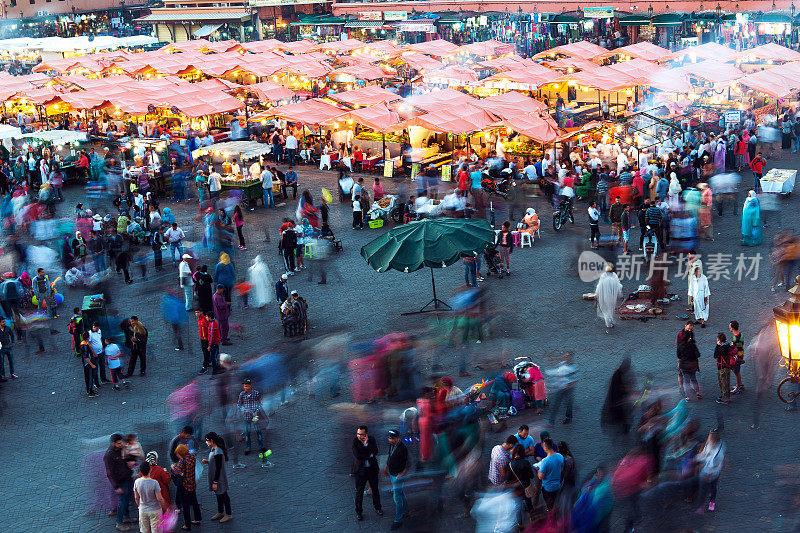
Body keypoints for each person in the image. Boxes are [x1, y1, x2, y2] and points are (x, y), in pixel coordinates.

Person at [352, 425, 383, 521]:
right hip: (360, 471)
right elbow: (358, 455)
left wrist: (366, 444)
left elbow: (376, 451)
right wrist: (369, 454)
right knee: (359, 492)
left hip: (372, 469)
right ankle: (359, 512)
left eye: (361, 434)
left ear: (366, 434)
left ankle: (378, 508)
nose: (359, 436)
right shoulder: (355, 441)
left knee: (375, 490)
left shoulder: (371, 439)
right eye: (358, 434)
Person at [201, 432, 233, 523]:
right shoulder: (213, 449)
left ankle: (228, 514)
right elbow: (215, 463)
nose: (206, 442)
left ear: (212, 441)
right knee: (218, 495)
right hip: (216, 477)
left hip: (219, 478)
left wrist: (215, 482)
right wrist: (208, 462)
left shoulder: (218, 452)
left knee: (223, 495)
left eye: (207, 440)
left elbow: (218, 468)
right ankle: (220, 512)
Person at [104, 434, 133, 531]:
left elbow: (128, 458)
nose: (121, 444)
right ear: (113, 443)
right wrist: (116, 487)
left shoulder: (122, 449)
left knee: (127, 499)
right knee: (122, 502)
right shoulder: (109, 455)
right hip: (120, 482)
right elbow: (110, 473)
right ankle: (119, 522)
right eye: (119, 443)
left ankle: (126, 517)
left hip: (128, 478)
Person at [171, 444, 202, 530]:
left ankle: (187, 525)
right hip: (192, 483)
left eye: (178, 453)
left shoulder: (182, 460)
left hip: (185, 485)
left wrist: (173, 467)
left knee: (185, 505)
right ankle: (197, 519)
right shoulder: (192, 457)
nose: (177, 455)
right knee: (194, 502)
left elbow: (176, 472)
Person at [382, 430, 408, 530]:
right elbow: (389, 456)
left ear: (397, 438)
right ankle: (406, 511)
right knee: (401, 493)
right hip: (393, 474)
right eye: (389, 438)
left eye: (392, 438)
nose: (390, 440)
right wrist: (386, 467)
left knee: (397, 497)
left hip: (398, 476)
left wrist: (401, 474)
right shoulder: (392, 445)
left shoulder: (403, 449)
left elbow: (407, 464)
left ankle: (398, 520)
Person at [696, 429, 726, 513]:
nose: (708, 441)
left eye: (710, 440)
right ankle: (703, 504)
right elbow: (705, 453)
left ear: (715, 442)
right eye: (709, 439)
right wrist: (697, 458)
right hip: (707, 469)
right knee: (708, 486)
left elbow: (713, 465)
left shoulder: (718, 452)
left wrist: (708, 474)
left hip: (713, 472)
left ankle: (711, 502)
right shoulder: (710, 444)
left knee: (710, 486)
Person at [133, 460, 167, 533]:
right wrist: (165, 508)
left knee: (145, 531)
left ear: (141, 471)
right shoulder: (154, 483)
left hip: (143, 510)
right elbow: (159, 499)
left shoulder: (137, 482)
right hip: (155, 510)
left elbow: (136, 498)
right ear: (150, 470)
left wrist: (139, 506)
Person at [547, 351, 579, 424]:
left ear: (571, 357)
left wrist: (568, 386)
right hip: (560, 388)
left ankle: (568, 418)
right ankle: (551, 421)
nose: (565, 357)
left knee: (568, 404)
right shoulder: (562, 364)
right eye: (565, 356)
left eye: (567, 356)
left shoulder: (573, 367)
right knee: (556, 403)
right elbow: (558, 373)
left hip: (568, 389)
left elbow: (575, 379)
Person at [534, 437, 564, 511]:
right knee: (555, 501)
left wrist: (538, 470)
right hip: (557, 485)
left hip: (548, 488)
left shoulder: (545, 461)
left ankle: (550, 512)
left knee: (549, 505)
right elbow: (561, 469)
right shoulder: (560, 456)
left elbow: (540, 477)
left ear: (546, 448)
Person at [507, 444, 536, 519]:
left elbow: (509, 479)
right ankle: (532, 519)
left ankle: (520, 525)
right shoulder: (526, 463)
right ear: (522, 453)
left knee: (517, 507)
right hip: (526, 487)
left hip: (516, 489)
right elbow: (532, 476)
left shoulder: (510, 465)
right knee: (529, 503)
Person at [237, 379, 265, 454]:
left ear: (251, 386)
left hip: (255, 416)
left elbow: (260, 404)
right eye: (245, 386)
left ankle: (261, 446)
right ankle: (248, 448)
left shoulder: (256, 393)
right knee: (247, 432)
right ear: (243, 386)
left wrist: (256, 411)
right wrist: (244, 410)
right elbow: (239, 405)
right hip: (246, 417)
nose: (246, 388)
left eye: (248, 386)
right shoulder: (242, 394)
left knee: (258, 431)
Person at [677, 321, 702, 400]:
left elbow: (679, 355)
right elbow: (698, 354)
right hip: (692, 365)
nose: (690, 330)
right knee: (693, 378)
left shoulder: (680, 346)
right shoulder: (692, 345)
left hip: (684, 365)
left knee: (686, 380)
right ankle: (697, 393)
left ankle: (687, 396)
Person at [595, 264, 622, 330]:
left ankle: (608, 322)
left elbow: (598, 286)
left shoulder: (603, 276)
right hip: (612, 296)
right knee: (610, 308)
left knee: (605, 308)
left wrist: (597, 294)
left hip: (603, 295)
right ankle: (610, 320)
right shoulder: (614, 276)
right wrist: (619, 293)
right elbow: (619, 286)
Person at [714, 332, 737, 405]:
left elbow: (715, 355)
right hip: (727, 366)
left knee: (723, 382)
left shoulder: (721, 348)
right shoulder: (727, 345)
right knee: (726, 382)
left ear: (719, 340)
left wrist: (717, 346)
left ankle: (725, 399)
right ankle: (726, 396)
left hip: (722, 367)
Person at [80, 332, 100, 397]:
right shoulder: (85, 346)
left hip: (86, 364)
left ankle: (90, 390)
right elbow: (86, 357)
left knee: (88, 377)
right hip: (88, 365)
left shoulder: (83, 343)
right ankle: (90, 392)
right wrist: (92, 364)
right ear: (88, 338)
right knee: (89, 378)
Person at [729, 320, 745, 394]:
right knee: (737, 372)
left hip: (737, 357)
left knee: (736, 372)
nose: (729, 327)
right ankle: (740, 384)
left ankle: (739, 387)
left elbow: (736, 349)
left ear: (732, 328)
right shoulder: (740, 334)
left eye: (730, 326)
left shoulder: (736, 339)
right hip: (740, 355)